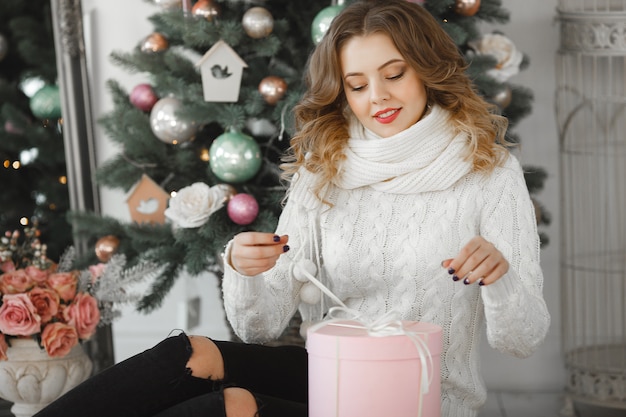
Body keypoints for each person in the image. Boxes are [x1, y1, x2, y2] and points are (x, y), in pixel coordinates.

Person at [35, 0, 550, 416]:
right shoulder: (324, 167)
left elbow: (522, 339)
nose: (378, 97)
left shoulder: (487, 171)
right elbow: (260, 329)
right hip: (331, 372)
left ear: (428, 70)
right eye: (357, 84)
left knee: (231, 407)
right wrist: (244, 269)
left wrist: (499, 277)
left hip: (421, 395)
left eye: (395, 74)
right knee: (187, 355)